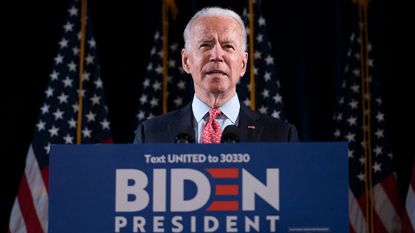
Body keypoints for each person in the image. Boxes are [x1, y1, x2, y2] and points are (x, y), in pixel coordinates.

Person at [134, 6, 298, 143]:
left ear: (243, 64)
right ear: (186, 61)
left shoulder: (281, 136)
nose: (217, 55)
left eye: (228, 46)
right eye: (205, 45)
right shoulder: (150, 135)